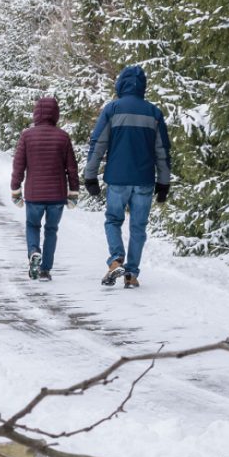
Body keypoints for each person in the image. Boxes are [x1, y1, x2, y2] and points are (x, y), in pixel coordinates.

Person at [82, 65, 172, 289]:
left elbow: (98, 144)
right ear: (142, 86)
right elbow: (163, 152)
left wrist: (90, 176)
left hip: (118, 179)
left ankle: (116, 260)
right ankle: (131, 274)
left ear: (121, 83)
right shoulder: (154, 112)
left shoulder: (112, 109)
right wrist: (164, 182)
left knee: (113, 220)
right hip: (144, 180)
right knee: (138, 228)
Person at [11, 96, 80, 281]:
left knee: (32, 226)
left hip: (34, 194)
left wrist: (15, 189)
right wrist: (73, 192)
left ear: (36, 113)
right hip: (56, 196)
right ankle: (45, 270)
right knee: (51, 230)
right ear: (55, 114)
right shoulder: (63, 136)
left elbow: (19, 165)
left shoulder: (27, 135)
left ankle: (34, 251)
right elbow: (72, 168)